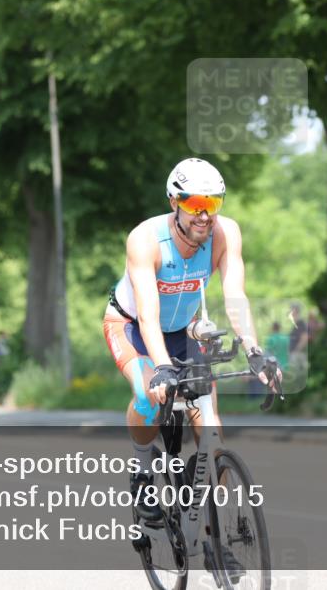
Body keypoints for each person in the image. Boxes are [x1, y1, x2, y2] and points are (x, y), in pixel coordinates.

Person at [103, 157, 281, 527]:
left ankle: (217, 534)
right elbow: (149, 315)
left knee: (211, 431)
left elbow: (236, 297)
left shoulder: (225, 234)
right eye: (196, 205)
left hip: (183, 331)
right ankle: (140, 472)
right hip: (133, 327)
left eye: (212, 204)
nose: (205, 215)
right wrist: (162, 369)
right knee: (149, 396)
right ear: (174, 202)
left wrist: (254, 349)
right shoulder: (145, 239)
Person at [288, 303, 310, 378]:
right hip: (296, 354)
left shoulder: (301, 323)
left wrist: (296, 350)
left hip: (298, 354)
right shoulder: (296, 324)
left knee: (298, 376)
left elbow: (304, 337)